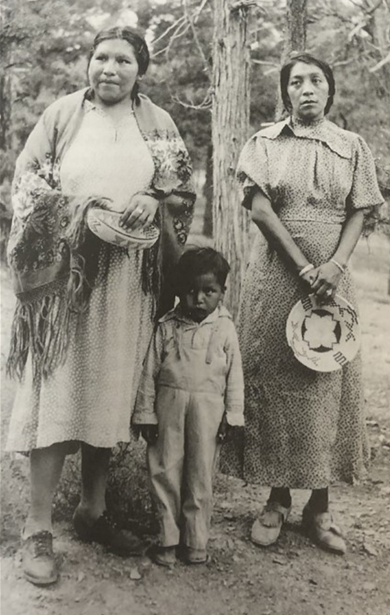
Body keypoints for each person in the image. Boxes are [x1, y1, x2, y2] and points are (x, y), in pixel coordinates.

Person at [6, 26, 195, 585]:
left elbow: (181, 188)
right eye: (100, 58)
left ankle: (92, 510)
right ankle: (36, 528)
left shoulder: (156, 123)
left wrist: (153, 197)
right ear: (88, 64)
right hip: (67, 280)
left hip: (126, 283)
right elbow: (25, 184)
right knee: (57, 391)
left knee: (106, 394)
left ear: (141, 70)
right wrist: (80, 211)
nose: (109, 69)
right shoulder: (63, 116)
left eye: (123, 61)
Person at [222, 53, 384, 555]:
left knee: (325, 384)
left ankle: (321, 507)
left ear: (330, 91)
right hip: (277, 280)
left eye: (316, 80)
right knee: (275, 387)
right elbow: (261, 209)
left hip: (333, 287)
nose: (307, 89)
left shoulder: (352, 146)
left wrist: (334, 266)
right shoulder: (265, 144)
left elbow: (361, 209)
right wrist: (303, 267)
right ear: (286, 92)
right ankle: (276, 501)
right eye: (296, 82)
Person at [132, 247, 244, 566]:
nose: (198, 299)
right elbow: (149, 371)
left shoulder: (225, 329)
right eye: (190, 291)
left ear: (222, 291)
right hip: (169, 405)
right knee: (165, 468)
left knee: (200, 474)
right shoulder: (167, 326)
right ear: (180, 290)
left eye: (208, 291)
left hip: (208, 411)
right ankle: (167, 540)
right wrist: (146, 414)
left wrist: (232, 415)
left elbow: (235, 375)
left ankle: (195, 542)